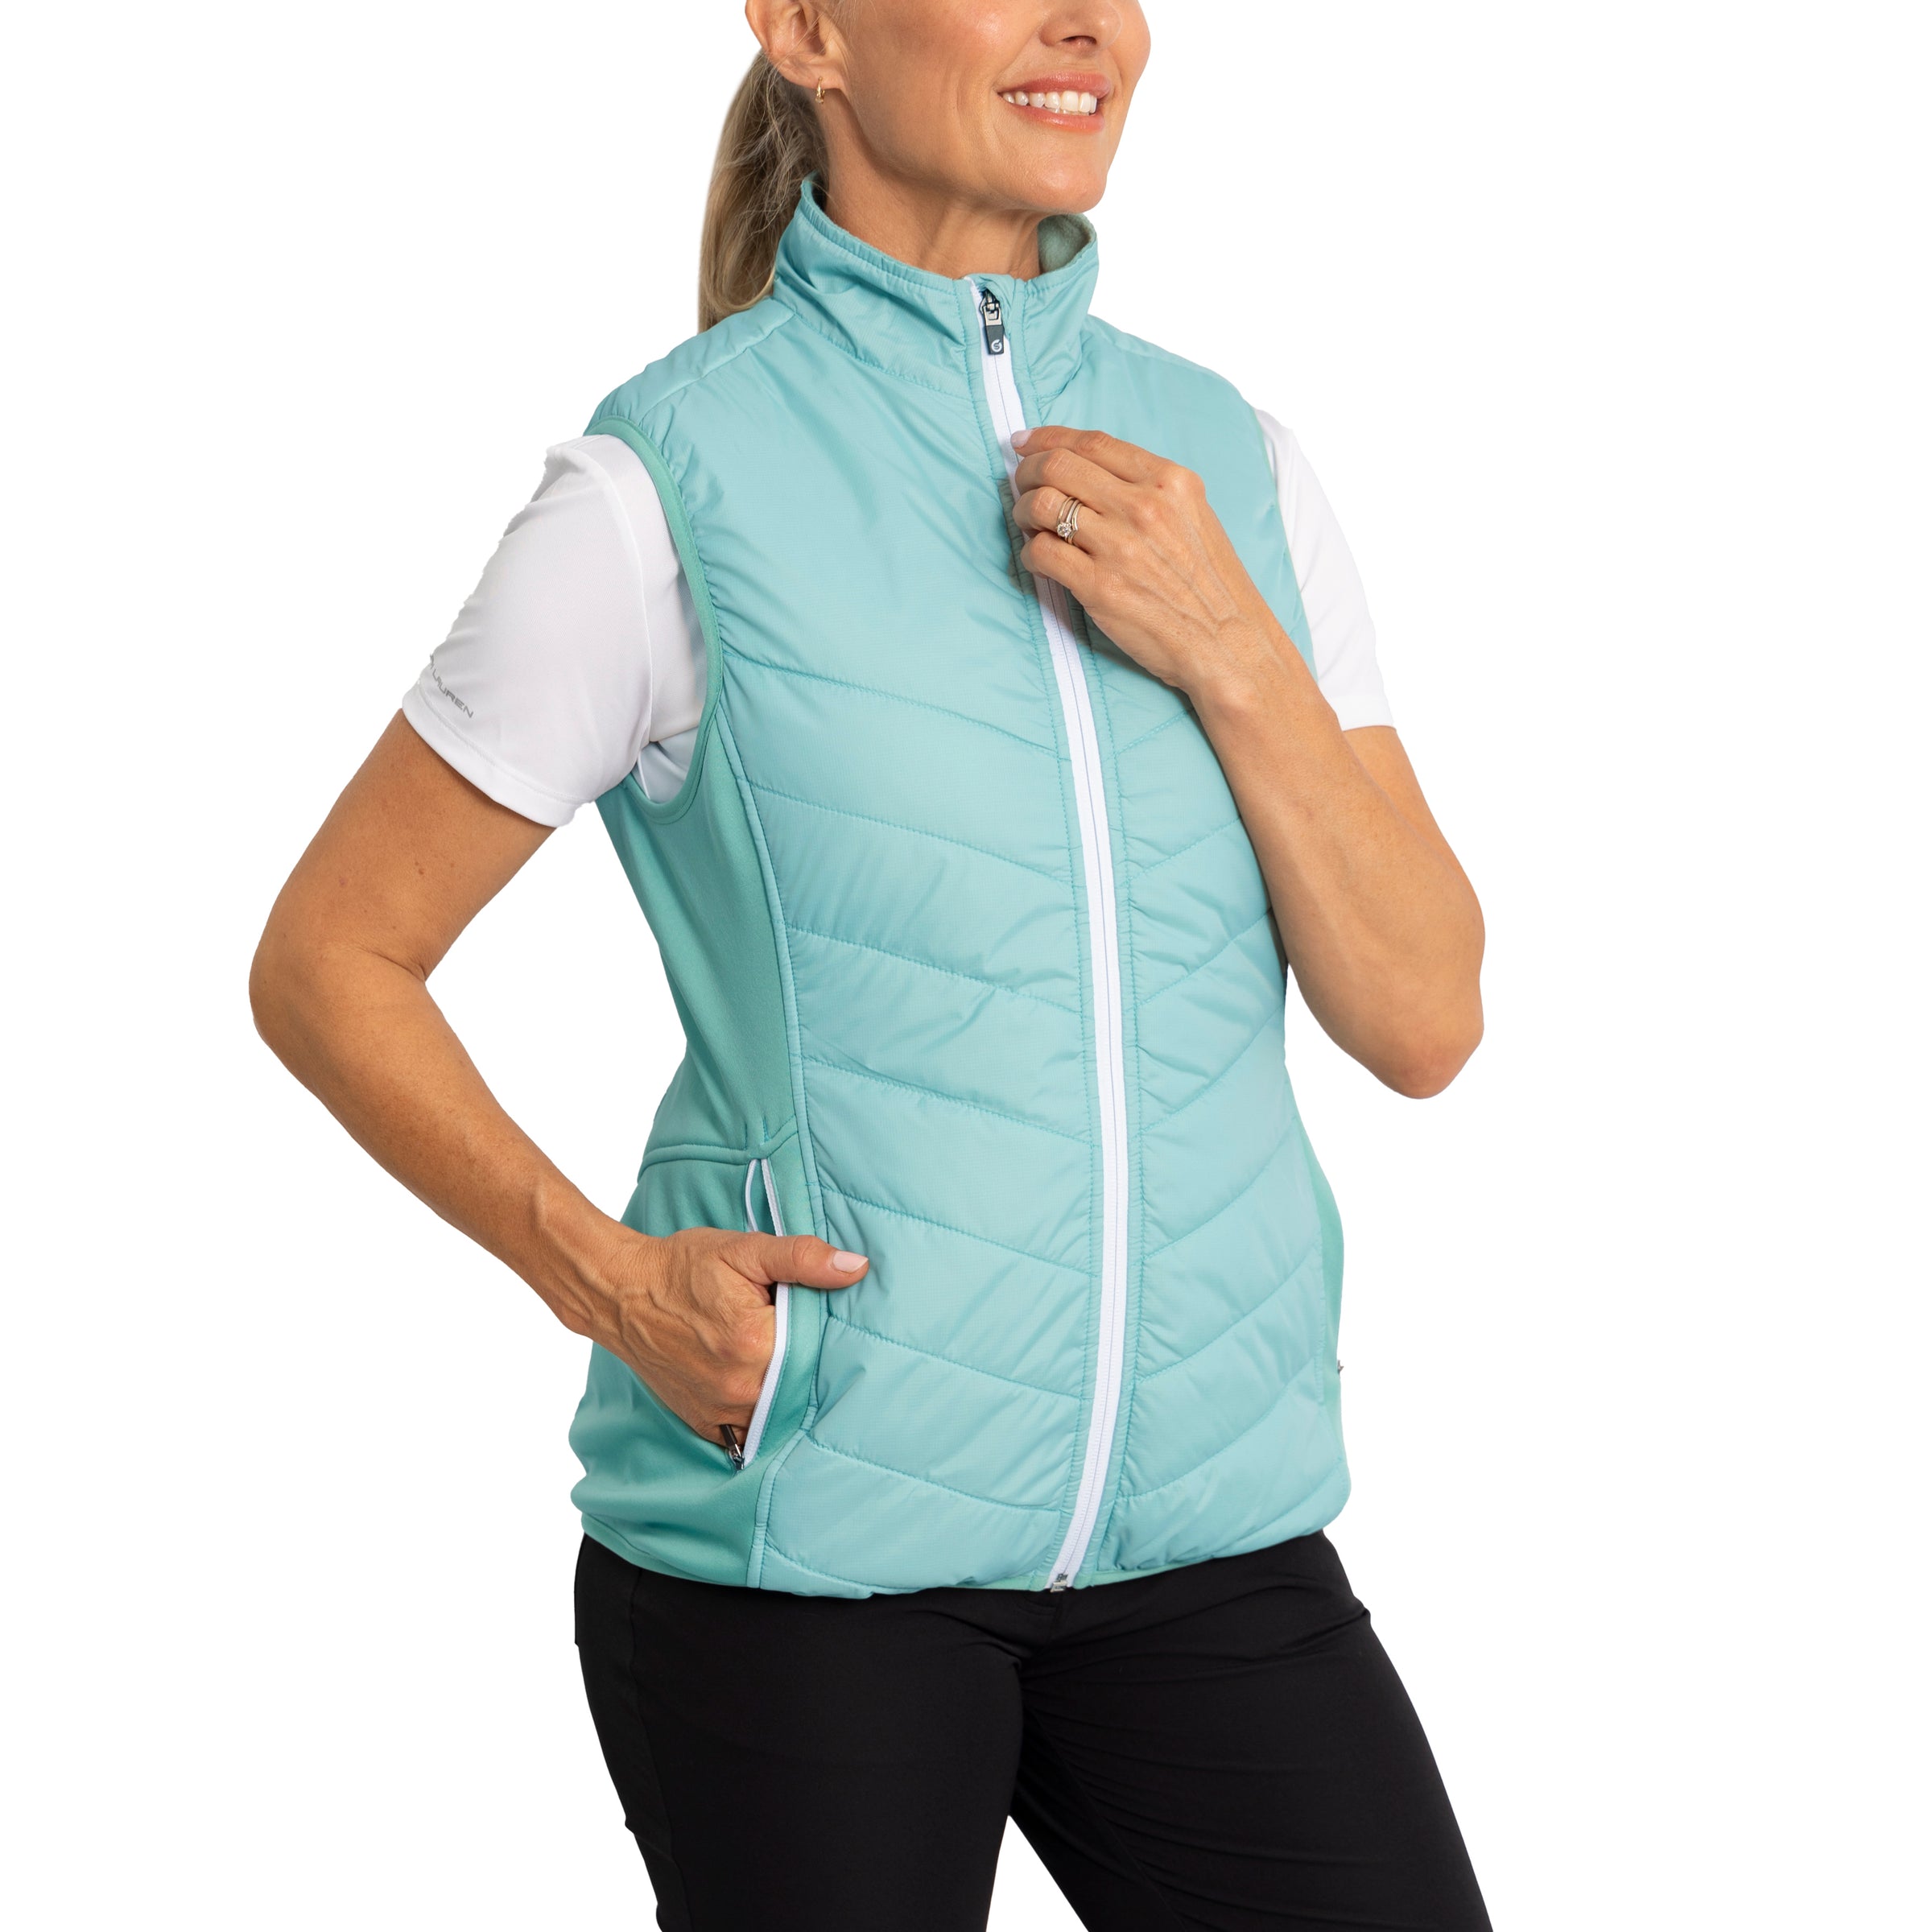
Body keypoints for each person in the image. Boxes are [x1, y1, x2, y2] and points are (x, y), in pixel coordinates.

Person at [251, 2, 1490, 1926]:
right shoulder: (667, 486)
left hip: (1211, 1540)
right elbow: (332, 956)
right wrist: (607, 1281)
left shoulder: (1229, 467)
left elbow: (1420, 1016)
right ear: (809, 28)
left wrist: (1230, 643)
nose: (1089, 24)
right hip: (806, 1557)